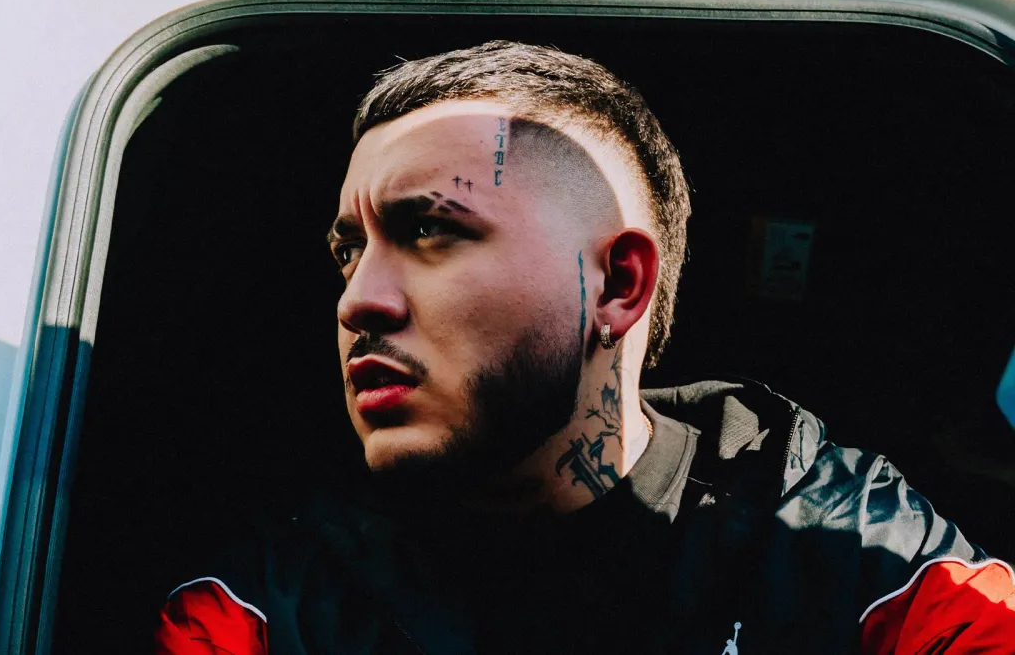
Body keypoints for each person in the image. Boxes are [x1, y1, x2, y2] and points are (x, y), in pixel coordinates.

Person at [155, 41, 1015, 654]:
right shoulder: (276, 601)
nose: (357, 300)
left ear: (617, 284)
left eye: (428, 231)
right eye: (350, 251)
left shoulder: (848, 551)